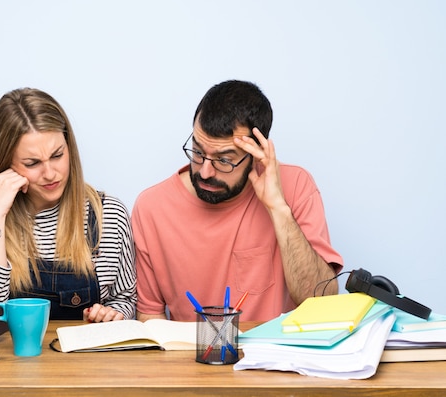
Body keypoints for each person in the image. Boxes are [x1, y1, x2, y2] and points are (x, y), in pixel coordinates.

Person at [131, 80, 343, 322]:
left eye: (224, 160)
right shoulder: (152, 207)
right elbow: (151, 317)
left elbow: (320, 301)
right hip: (194, 357)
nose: (205, 172)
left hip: (276, 356)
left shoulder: (296, 186)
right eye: (198, 152)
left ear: (255, 155)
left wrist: (278, 208)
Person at [0, 87, 136, 322]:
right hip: (9, 359)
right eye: (32, 163)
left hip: (85, 358)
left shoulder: (108, 214)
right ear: (5, 165)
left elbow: (125, 298)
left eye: (57, 155)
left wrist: (112, 315)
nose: (51, 173)